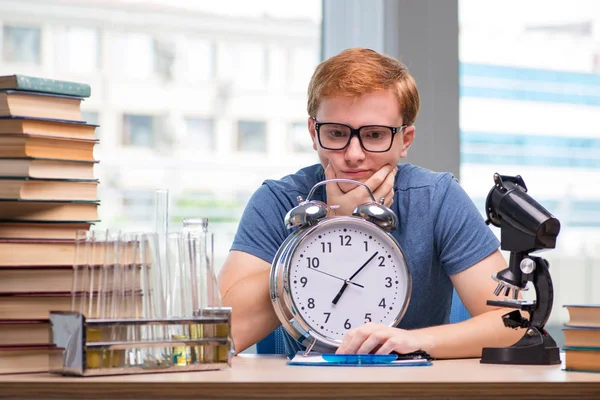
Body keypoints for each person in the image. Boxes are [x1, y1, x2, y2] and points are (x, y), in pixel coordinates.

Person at [218, 48, 522, 357]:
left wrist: (413, 342)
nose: (353, 154)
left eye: (374, 135)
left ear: (405, 140)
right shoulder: (276, 200)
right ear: (313, 132)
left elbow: (511, 319)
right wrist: (333, 226)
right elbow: (223, 336)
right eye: (336, 133)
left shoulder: (436, 198)